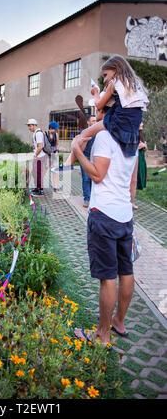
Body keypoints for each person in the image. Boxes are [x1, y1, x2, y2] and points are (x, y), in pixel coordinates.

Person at [71, 105, 139, 347]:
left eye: (99, 109)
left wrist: (78, 151)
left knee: (108, 277)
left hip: (104, 214)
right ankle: (118, 322)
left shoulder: (103, 136)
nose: (96, 112)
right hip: (124, 215)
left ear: (107, 114)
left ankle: (102, 334)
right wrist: (128, 206)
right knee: (126, 270)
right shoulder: (132, 139)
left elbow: (97, 175)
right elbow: (132, 183)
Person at [65, 55, 149, 168]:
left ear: (116, 69)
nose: (105, 80)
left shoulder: (114, 83)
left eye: (105, 75)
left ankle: (68, 163)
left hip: (117, 123)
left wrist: (95, 93)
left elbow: (99, 105)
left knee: (84, 134)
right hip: (131, 128)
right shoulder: (135, 84)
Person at [27, 118, 48, 196]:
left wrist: (35, 155)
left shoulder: (38, 133)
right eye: (28, 126)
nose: (29, 127)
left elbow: (40, 146)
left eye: (30, 126)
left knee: (38, 173)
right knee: (35, 173)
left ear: (34, 125)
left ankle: (40, 190)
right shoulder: (36, 133)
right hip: (39, 156)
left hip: (40, 157)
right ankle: (37, 188)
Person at [79, 115, 96, 207]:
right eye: (93, 121)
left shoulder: (99, 133)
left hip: (95, 159)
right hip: (85, 158)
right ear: (88, 122)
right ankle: (86, 199)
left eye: (95, 121)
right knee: (86, 179)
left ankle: (93, 198)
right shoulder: (83, 132)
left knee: (93, 179)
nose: (95, 122)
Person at [133, 122, 148, 209]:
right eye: (140, 123)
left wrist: (144, 145)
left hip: (141, 159)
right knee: (133, 180)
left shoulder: (141, 135)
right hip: (135, 159)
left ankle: (132, 199)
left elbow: (145, 148)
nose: (142, 124)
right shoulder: (133, 134)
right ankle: (130, 201)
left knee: (137, 180)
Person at [48, 121, 60, 193]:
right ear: (50, 128)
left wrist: (56, 151)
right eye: (54, 129)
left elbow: (57, 144)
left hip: (54, 154)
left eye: (55, 129)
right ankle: (40, 187)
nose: (55, 130)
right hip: (46, 154)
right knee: (43, 171)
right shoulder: (46, 134)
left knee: (55, 171)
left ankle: (56, 188)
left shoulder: (56, 134)